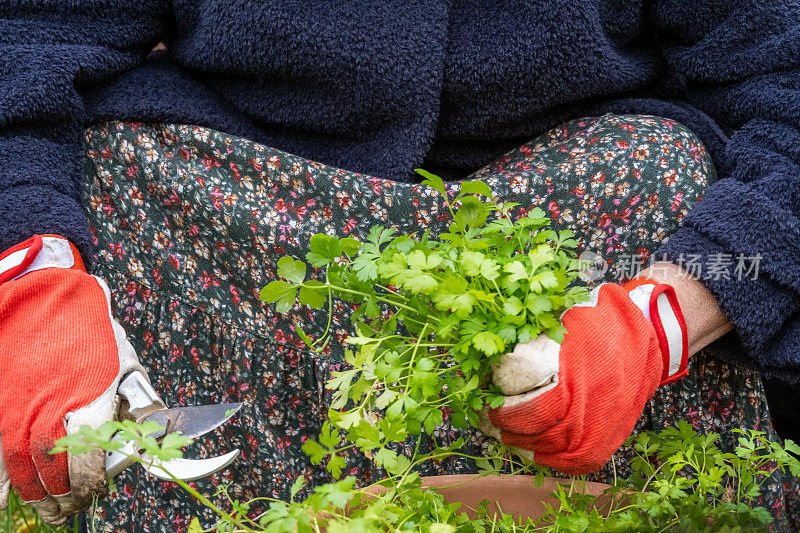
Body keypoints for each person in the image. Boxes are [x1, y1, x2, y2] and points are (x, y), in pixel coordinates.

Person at [0, 1, 799, 530]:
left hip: (581, 228)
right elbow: (26, 39)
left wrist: (673, 313)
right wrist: (30, 275)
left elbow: (786, 75)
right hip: (242, 216)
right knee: (120, 166)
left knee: (663, 167)